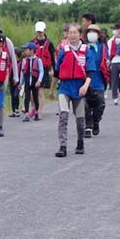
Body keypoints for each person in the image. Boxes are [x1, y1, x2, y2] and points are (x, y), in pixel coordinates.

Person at [52, 22, 90, 158]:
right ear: (67, 34)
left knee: (80, 119)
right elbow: (56, 73)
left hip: (79, 88)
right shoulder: (63, 52)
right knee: (63, 115)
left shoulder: (86, 51)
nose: (72, 35)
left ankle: (80, 142)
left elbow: (90, 72)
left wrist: (85, 86)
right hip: (65, 87)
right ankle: (63, 146)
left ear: (80, 35)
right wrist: (51, 90)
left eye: (75, 32)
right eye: (70, 32)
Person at [17, 44, 44, 121]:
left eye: (27, 50)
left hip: (35, 82)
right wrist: (21, 82)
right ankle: (26, 115)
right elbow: (22, 72)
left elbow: (41, 71)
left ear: (32, 50)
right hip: (27, 81)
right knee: (27, 98)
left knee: (35, 98)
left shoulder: (38, 60)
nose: (25, 51)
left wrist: (39, 80)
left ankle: (36, 112)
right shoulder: (24, 60)